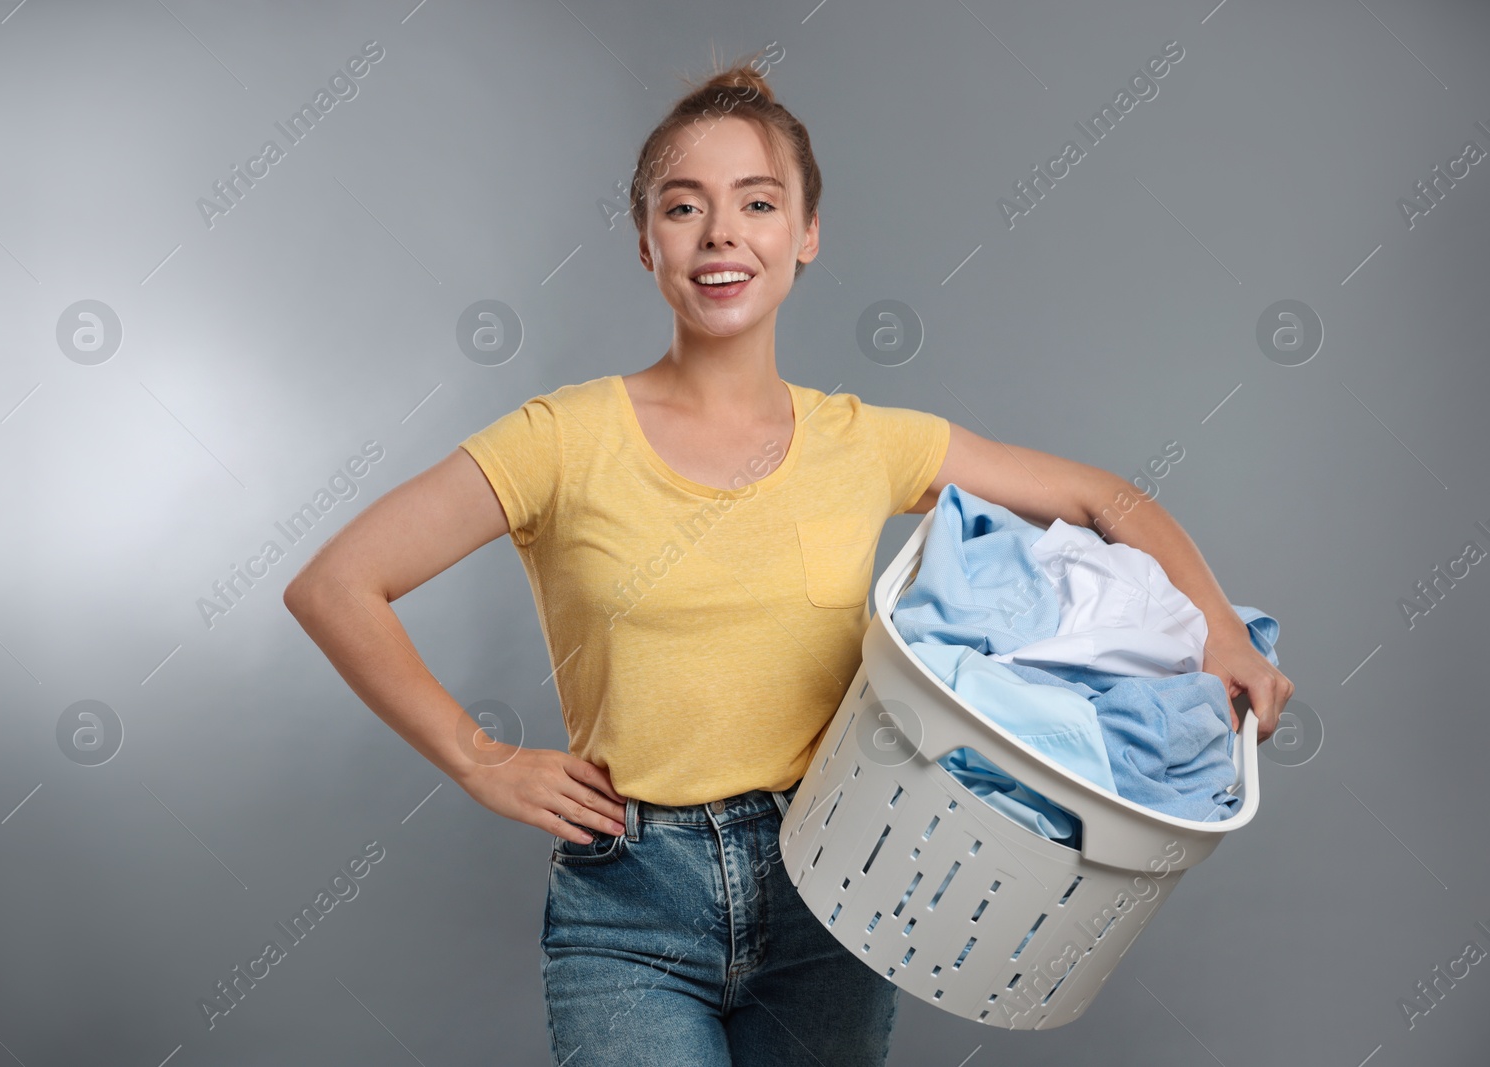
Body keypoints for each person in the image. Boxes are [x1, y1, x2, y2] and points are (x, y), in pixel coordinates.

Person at [283, 50, 1294, 1067]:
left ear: (805, 233)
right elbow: (334, 584)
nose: (721, 232)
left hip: (834, 887)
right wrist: (476, 755)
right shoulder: (560, 437)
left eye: (757, 203)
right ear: (645, 241)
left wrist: (1218, 634)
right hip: (628, 908)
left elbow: (1100, 497)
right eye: (683, 207)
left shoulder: (866, 440)